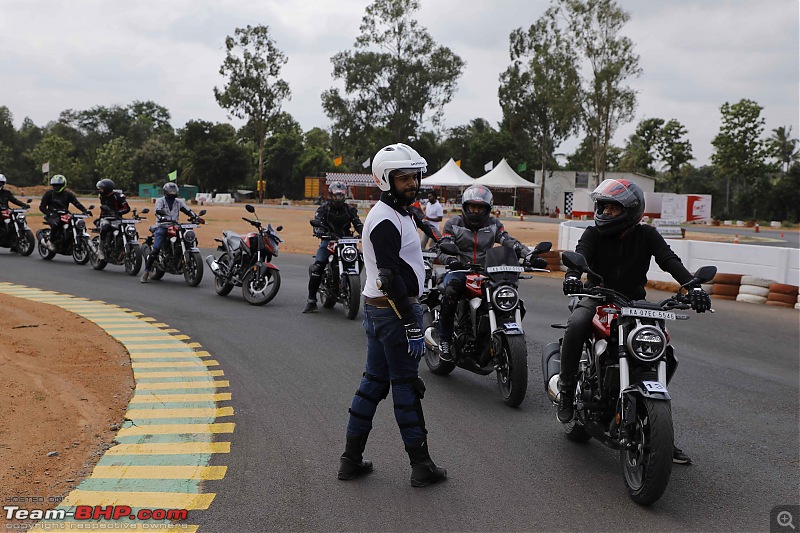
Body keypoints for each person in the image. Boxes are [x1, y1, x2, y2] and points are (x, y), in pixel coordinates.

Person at [557, 178, 711, 465]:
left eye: (611, 208)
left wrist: (693, 287)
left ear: (630, 210)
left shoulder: (647, 236)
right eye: (601, 206)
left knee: (664, 351)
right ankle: (567, 390)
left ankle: (657, 429)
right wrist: (572, 276)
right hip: (599, 298)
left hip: (635, 304)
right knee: (577, 322)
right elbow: (581, 255)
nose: (604, 213)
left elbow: (669, 260)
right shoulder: (593, 234)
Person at [338, 142, 446, 488]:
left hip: (379, 311)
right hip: (393, 312)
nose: (412, 183)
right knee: (405, 386)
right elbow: (387, 278)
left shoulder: (398, 211)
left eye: (415, 176)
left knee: (373, 383)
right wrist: (413, 326)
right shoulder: (384, 220)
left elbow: (411, 219)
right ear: (385, 180)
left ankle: (350, 460)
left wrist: (434, 234)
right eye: (403, 178)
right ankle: (421, 465)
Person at [435, 184, 546, 362]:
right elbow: (442, 247)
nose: (476, 212)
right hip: (460, 269)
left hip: (487, 271)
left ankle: (499, 338)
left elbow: (509, 241)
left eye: (481, 208)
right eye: (473, 207)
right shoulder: (453, 224)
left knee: (511, 298)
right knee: (451, 293)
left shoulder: (494, 224)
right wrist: (451, 261)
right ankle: (445, 340)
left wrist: (529, 255)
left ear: (488, 209)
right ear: (465, 206)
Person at [302, 181, 364, 313]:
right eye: (336, 195)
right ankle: (311, 300)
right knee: (317, 267)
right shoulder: (324, 208)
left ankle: (348, 283)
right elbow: (317, 222)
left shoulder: (350, 209)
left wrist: (365, 232)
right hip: (328, 241)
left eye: (341, 195)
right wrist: (319, 230)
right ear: (330, 195)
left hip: (346, 241)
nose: (338, 198)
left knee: (361, 257)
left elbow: (358, 224)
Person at [140, 182, 199, 283]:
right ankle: (146, 272)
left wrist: (196, 217)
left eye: (174, 190)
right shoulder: (160, 201)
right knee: (156, 249)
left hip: (175, 226)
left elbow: (188, 210)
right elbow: (158, 211)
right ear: (166, 192)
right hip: (162, 226)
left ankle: (181, 258)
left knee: (190, 237)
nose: (172, 192)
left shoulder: (178, 202)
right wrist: (162, 217)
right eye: (170, 190)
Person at [39, 175, 89, 252]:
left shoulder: (68, 194)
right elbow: (42, 207)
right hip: (52, 215)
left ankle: (73, 239)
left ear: (63, 185)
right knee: (56, 223)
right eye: (55, 185)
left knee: (78, 223)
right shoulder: (49, 194)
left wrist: (85, 211)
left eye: (58, 185)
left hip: (64, 214)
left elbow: (76, 203)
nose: (56, 187)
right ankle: (51, 241)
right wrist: (49, 214)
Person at [94, 179, 130, 261]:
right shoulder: (102, 196)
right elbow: (103, 208)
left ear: (107, 189)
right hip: (106, 218)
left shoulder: (118, 196)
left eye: (102, 188)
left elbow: (127, 208)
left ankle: (122, 248)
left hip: (118, 218)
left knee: (129, 229)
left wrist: (116, 213)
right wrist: (100, 219)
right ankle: (100, 249)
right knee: (105, 227)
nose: (100, 190)